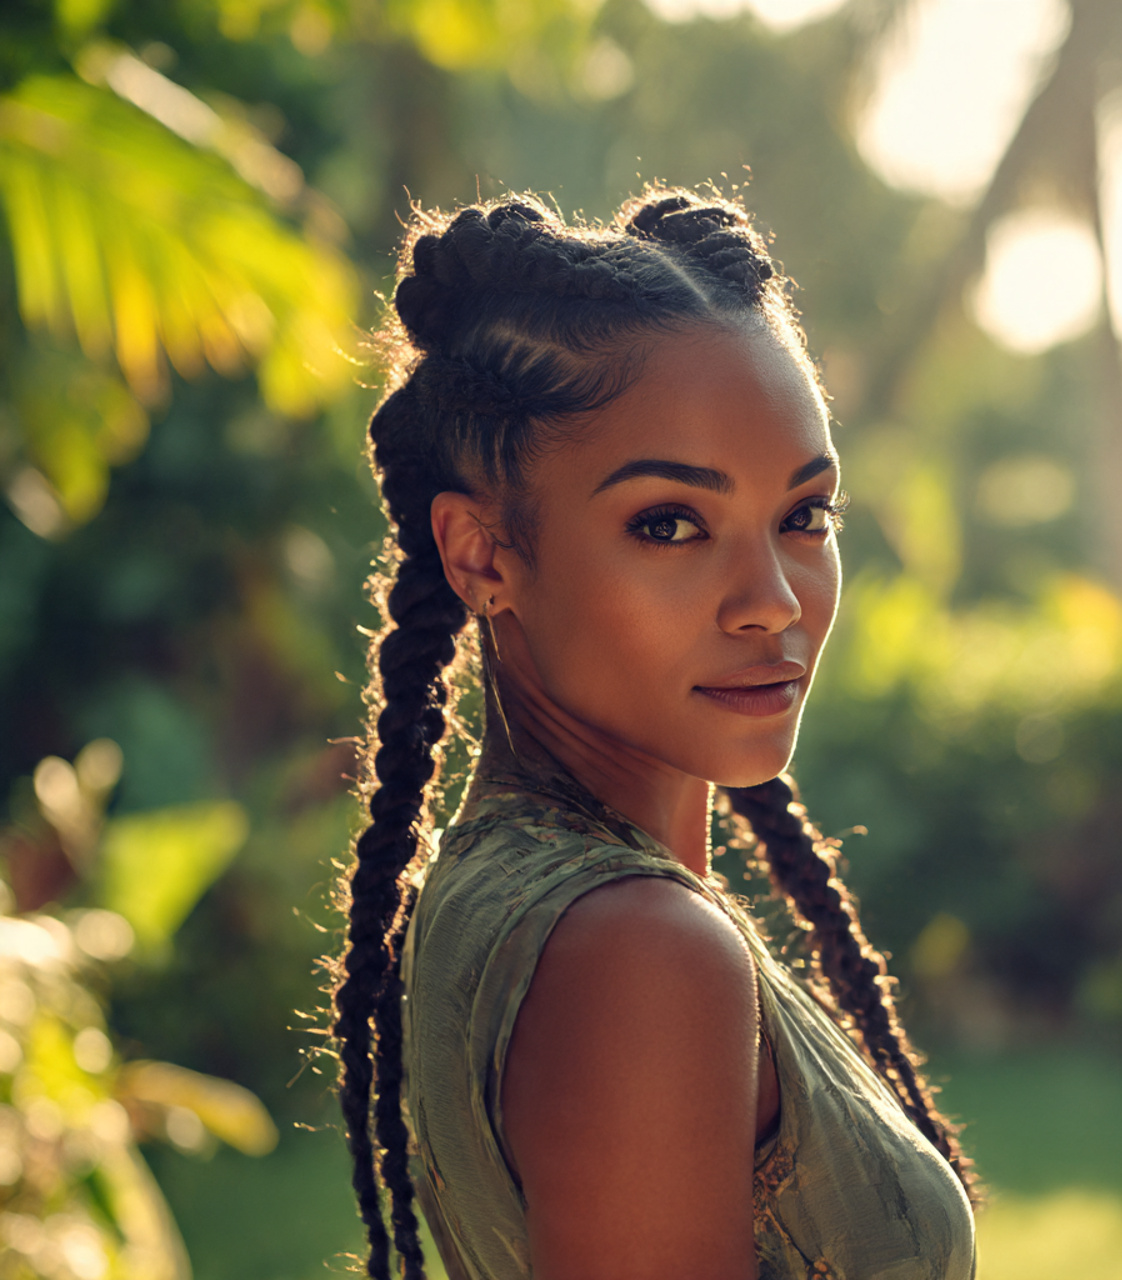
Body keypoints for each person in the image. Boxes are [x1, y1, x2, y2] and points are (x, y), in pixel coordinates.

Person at [331, 187, 978, 1280]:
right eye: (668, 523)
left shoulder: (508, 884)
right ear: (483, 553)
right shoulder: (639, 948)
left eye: (802, 515)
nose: (770, 598)